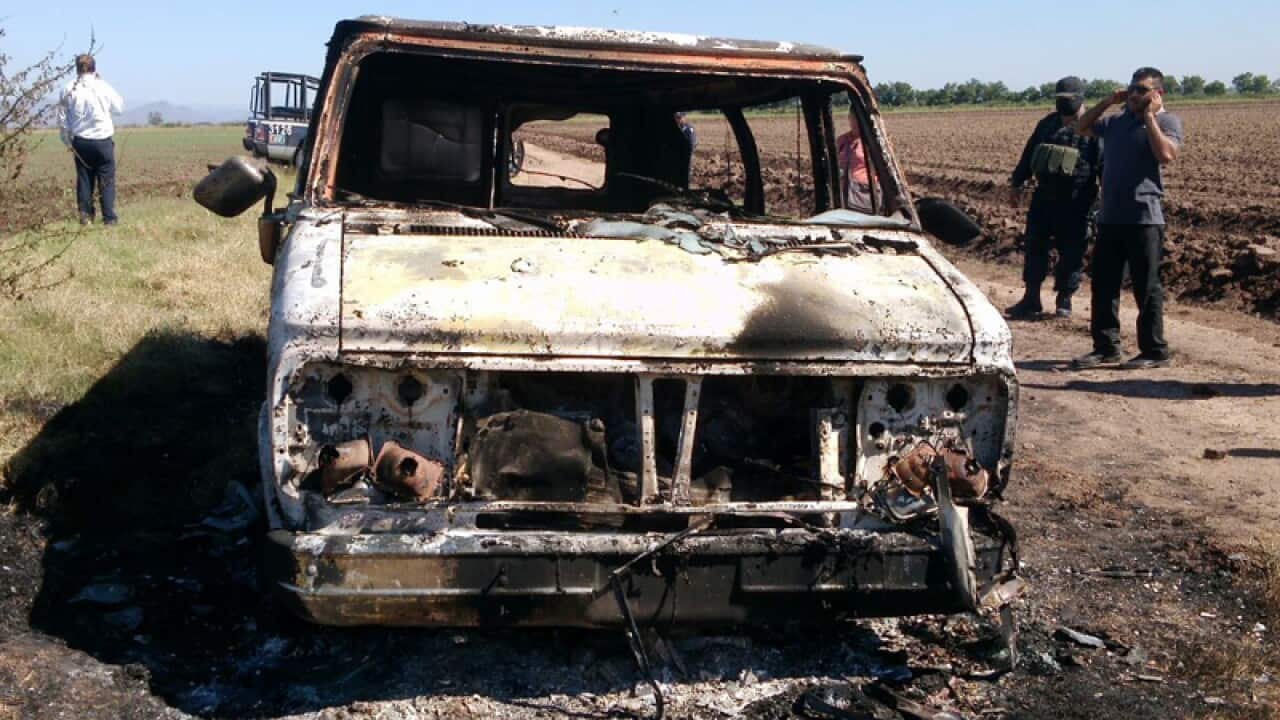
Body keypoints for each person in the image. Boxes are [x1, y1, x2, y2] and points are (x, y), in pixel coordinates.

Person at [1071, 67, 1184, 370]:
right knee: (1104, 285)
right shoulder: (1116, 122)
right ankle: (1106, 347)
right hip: (1110, 216)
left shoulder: (1167, 121)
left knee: (1146, 288)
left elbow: (1166, 156)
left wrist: (1149, 118)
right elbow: (1081, 127)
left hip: (1145, 218)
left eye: (1142, 90)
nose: (1135, 94)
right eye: (1132, 88)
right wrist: (1108, 100)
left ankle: (1154, 350)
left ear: (1157, 94)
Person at [1005, 76, 1101, 320]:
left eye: (1068, 100)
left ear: (1080, 99)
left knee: (1071, 251)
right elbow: (1029, 155)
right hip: (1044, 197)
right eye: (1059, 100)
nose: (1063, 104)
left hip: (1077, 201)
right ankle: (1031, 298)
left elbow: (1105, 165)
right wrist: (1016, 183)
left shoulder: (1094, 127)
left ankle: (1064, 299)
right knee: (1035, 247)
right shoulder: (1047, 124)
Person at [58, 54, 124, 225]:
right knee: (106, 181)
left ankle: (86, 218)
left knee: (85, 180)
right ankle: (109, 219)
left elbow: (62, 120)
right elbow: (119, 108)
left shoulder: (68, 89)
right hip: (103, 141)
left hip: (81, 141)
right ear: (95, 68)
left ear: (76, 69)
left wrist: (67, 142)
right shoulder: (103, 87)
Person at [836, 105, 872, 210]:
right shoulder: (841, 141)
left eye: (859, 118)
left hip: (865, 196)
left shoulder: (872, 143)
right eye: (853, 118)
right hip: (844, 194)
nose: (856, 122)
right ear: (849, 118)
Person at [675, 112, 697, 185]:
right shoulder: (679, 128)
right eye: (677, 118)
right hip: (678, 154)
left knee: (687, 170)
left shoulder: (689, 129)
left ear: (684, 117)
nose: (678, 120)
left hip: (686, 154)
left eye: (679, 118)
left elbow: (692, 143)